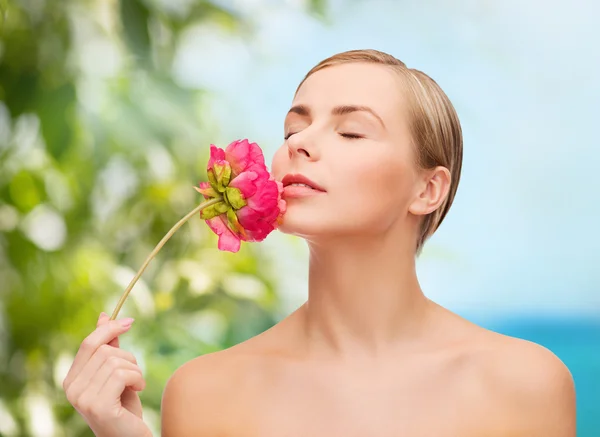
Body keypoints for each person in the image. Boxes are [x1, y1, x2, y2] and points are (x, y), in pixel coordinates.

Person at [63, 49, 576, 436]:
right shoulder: (203, 393)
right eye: (292, 129)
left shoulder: (525, 384)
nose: (299, 144)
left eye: (351, 132)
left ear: (428, 189)